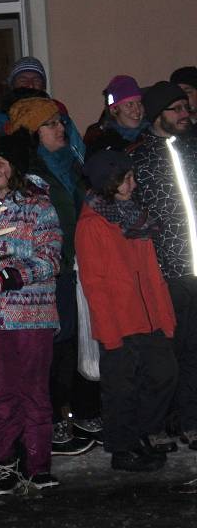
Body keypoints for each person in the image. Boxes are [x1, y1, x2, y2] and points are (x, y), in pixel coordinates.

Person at [0, 133, 62, 494]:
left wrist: (13, 276)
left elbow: (51, 257)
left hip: (33, 316)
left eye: (0, 163)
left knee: (33, 391)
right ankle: (5, 464)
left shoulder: (39, 208)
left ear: (16, 167)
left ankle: (38, 465)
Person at [76, 149, 177, 472]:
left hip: (149, 318)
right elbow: (95, 284)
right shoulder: (93, 225)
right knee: (121, 389)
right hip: (120, 322)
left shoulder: (135, 218)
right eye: (127, 178)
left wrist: (165, 316)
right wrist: (109, 331)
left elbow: (152, 274)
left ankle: (140, 435)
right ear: (110, 181)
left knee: (164, 375)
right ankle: (123, 448)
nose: (133, 184)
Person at [6, 97, 96, 456]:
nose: (60, 129)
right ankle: (55, 417)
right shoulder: (30, 174)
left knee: (76, 341)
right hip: (50, 271)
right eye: (50, 124)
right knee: (55, 345)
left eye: (60, 122)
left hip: (79, 265)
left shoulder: (73, 163)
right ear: (33, 132)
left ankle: (80, 411)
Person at [130, 81, 197, 452]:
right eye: (176, 109)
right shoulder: (139, 159)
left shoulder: (194, 149)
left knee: (194, 351)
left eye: (186, 107)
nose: (185, 114)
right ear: (158, 114)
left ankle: (190, 420)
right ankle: (160, 423)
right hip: (164, 275)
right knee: (163, 356)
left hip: (196, 271)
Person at [84, 75, 149, 155]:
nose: (137, 110)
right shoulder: (100, 144)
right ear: (114, 110)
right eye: (129, 104)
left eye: (139, 103)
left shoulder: (154, 134)